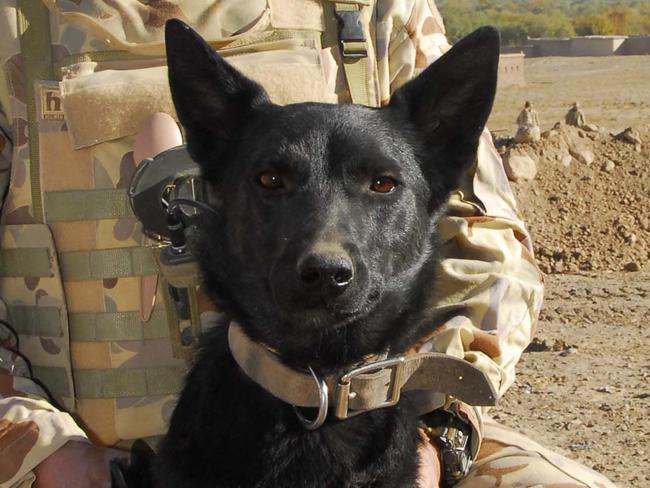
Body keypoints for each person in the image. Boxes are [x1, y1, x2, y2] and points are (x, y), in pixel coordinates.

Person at [0, 1, 617, 487]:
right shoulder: (13, 26)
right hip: (76, 460)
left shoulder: (373, 10)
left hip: (391, 437)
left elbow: (485, 242)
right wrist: (39, 448)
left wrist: (440, 426)